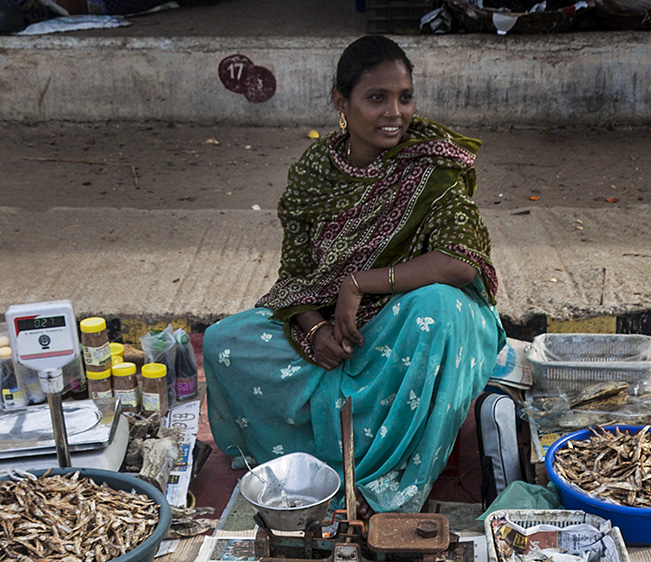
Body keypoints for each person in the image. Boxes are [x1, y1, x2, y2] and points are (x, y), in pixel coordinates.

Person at [203, 35, 506, 518]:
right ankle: (311, 462)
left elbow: (460, 261)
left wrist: (359, 282)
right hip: (341, 329)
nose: (395, 112)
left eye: (404, 97)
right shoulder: (313, 173)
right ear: (341, 103)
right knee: (224, 342)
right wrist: (315, 328)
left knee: (438, 310)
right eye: (376, 98)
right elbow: (297, 276)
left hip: (409, 322)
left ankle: (387, 479)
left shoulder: (432, 166)